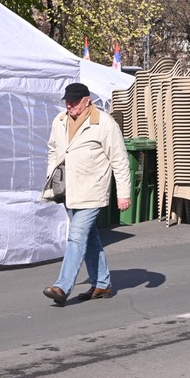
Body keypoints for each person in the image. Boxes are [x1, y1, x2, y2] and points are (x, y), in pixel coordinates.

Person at [43, 82, 131, 305]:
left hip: (93, 190)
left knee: (76, 235)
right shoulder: (60, 120)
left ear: (87, 100)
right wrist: (52, 173)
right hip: (68, 189)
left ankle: (62, 287)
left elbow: (119, 160)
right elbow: (53, 149)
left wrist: (124, 193)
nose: (69, 105)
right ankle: (102, 284)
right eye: (67, 101)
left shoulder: (104, 123)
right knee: (89, 238)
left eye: (74, 101)